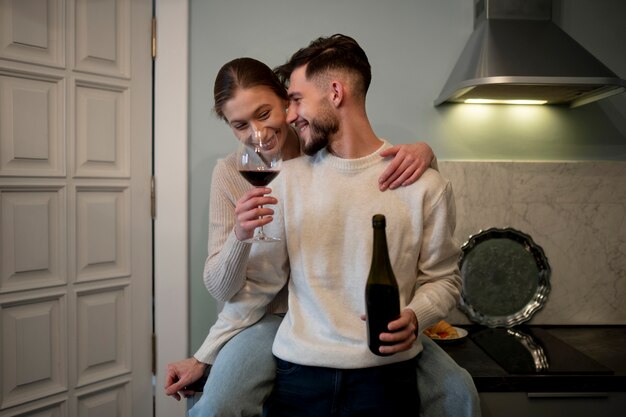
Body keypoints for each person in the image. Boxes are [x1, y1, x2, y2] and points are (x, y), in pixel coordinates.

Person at [165, 50, 480, 416]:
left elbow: (378, 191)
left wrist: (427, 161)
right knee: (215, 405)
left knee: (459, 392)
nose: (258, 134)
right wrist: (240, 237)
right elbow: (240, 288)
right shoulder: (242, 173)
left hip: (363, 337)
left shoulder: (317, 142)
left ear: (287, 102)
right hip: (269, 320)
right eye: (239, 125)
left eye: (268, 112)